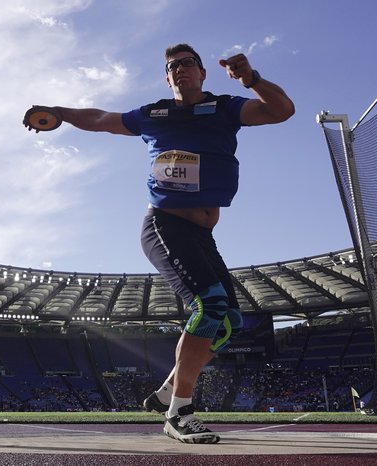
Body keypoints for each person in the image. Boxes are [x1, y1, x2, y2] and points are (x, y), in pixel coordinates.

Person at [24, 43, 295, 443]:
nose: (181, 70)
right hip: (164, 225)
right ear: (168, 78)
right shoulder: (154, 114)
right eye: (173, 67)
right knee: (211, 305)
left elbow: (282, 111)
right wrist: (61, 113)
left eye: (188, 64)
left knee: (230, 322)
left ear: (202, 73)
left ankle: (169, 387)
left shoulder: (225, 108)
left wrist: (252, 80)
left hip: (203, 234)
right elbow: (101, 118)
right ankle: (178, 412)